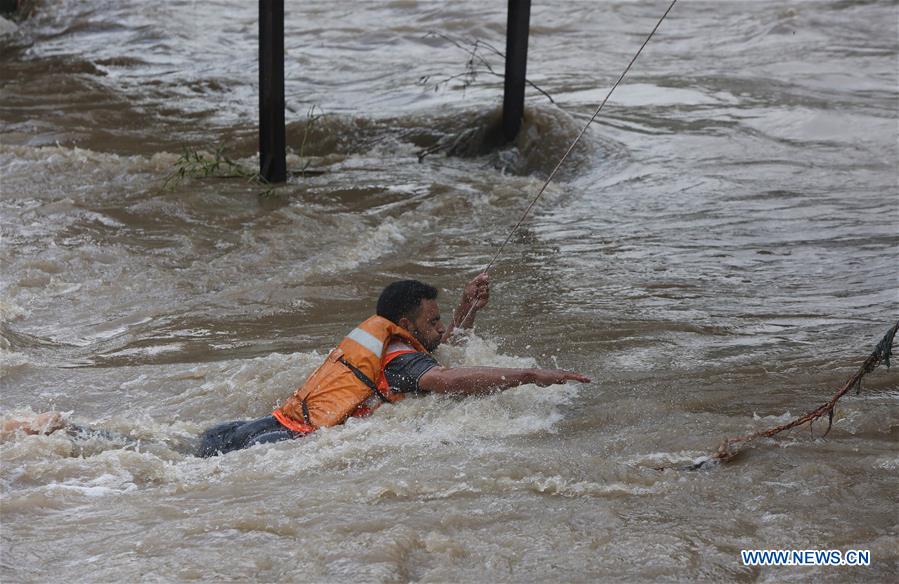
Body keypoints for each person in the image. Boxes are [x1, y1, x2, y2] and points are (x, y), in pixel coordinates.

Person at [196, 274, 590, 456]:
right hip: (283, 446)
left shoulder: (383, 340)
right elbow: (445, 377)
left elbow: (440, 347)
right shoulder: (401, 359)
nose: (440, 327)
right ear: (405, 325)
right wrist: (530, 375)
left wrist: (468, 309)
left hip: (264, 425)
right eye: (434, 321)